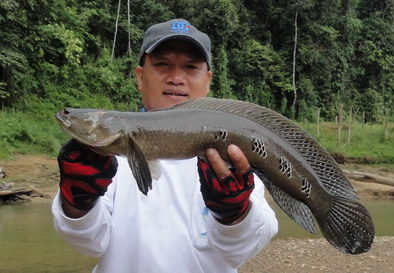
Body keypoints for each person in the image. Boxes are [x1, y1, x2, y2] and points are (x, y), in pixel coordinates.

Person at [52, 18, 278, 273]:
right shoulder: (108, 158)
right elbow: (88, 243)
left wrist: (235, 213)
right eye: (162, 64)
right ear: (140, 76)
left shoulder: (234, 157)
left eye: (191, 67)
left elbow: (243, 249)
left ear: (208, 80)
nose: (176, 78)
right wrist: (78, 202)